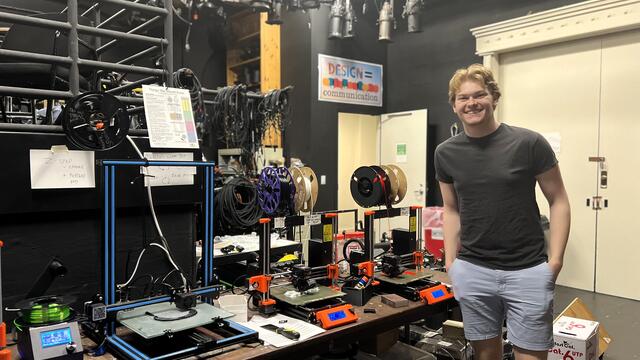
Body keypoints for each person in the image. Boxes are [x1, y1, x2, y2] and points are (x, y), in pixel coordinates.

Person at [434, 64, 571, 360]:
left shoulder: (529, 143)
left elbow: (558, 200)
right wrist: (450, 262)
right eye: (463, 98)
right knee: (485, 355)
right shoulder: (445, 153)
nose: (471, 102)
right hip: (473, 270)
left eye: (479, 94)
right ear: (454, 106)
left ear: (494, 98)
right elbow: (451, 208)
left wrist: (555, 261)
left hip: (528, 270)